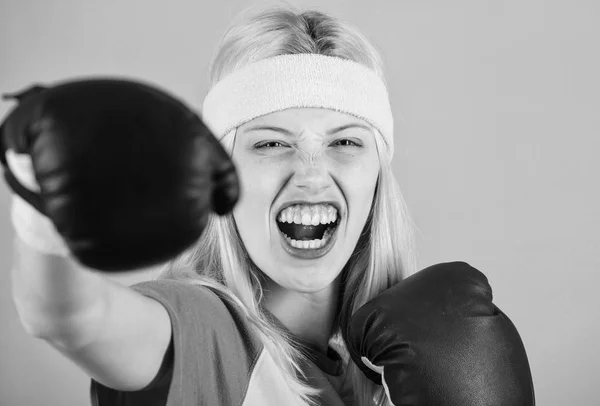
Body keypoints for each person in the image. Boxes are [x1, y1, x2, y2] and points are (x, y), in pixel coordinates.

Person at [3, 4, 534, 406]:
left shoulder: (402, 362)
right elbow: (67, 317)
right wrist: (39, 201)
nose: (310, 172)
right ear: (222, 173)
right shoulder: (201, 334)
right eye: (270, 142)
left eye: (345, 142)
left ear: (378, 171)